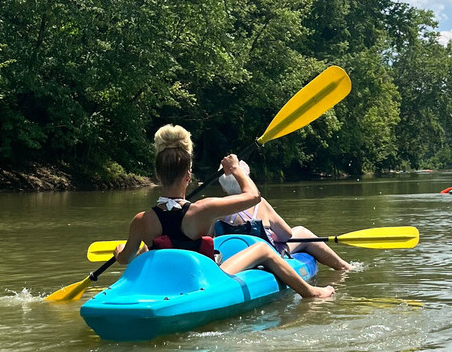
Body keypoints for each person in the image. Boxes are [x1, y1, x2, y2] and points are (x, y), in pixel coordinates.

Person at [113, 125, 334, 299]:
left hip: (165, 280)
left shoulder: (141, 221)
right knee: (263, 249)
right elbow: (253, 196)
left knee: (146, 252)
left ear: (157, 175)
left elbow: (125, 259)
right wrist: (236, 169)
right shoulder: (202, 209)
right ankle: (312, 293)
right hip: (204, 280)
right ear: (188, 176)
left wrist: (120, 250)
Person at [214, 160, 351, 271]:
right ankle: (344, 267)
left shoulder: (215, 208)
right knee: (302, 232)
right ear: (248, 181)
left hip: (231, 257)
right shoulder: (259, 204)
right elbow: (286, 234)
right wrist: (275, 236)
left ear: (223, 187)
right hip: (266, 255)